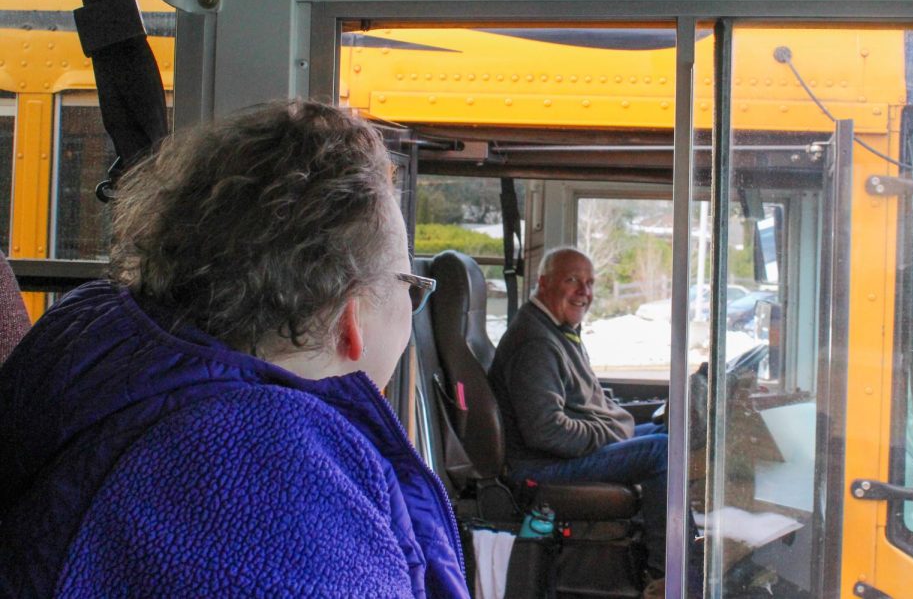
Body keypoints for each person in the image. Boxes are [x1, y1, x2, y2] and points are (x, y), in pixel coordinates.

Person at [0, 100, 469, 598]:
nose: (411, 301)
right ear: (350, 318)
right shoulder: (271, 477)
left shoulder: (102, 354)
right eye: (409, 285)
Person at [488, 247, 669, 577]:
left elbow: (582, 406)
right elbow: (547, 431)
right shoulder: (536, 343)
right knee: (664, 451)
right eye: (573, 280)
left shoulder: (557, 329)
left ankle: (666, 556)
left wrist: (615, 424)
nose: (584, 292)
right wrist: (612, 430)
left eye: (589, 283)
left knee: (666, 435)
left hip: (559, 455)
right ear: (544, 283)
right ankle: (666, 577)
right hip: (539, 466)